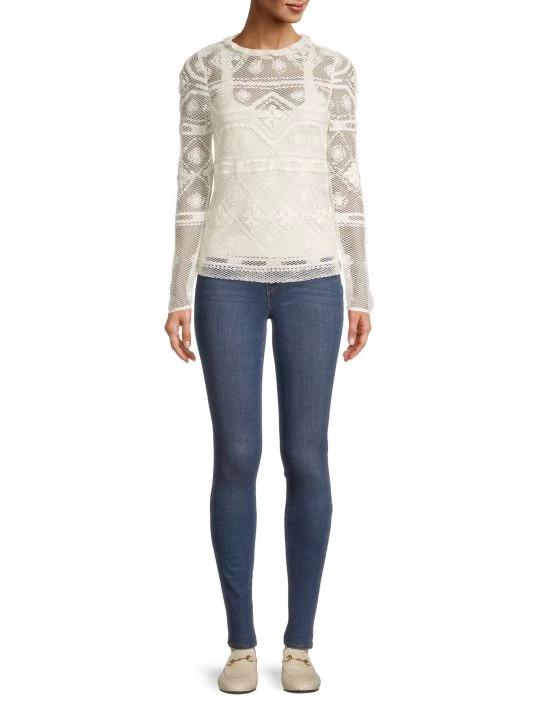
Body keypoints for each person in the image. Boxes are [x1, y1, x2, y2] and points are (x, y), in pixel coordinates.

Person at [164, 0, 373, 694]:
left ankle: (300, 646)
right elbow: (192, 182)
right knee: (237, 455)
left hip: (315, 281)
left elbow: (345, 182)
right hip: (225, 281)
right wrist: (178, 291)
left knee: (306, 456)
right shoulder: (203, 69)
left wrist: (361, 289)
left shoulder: (333, 70)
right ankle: (241, 646)